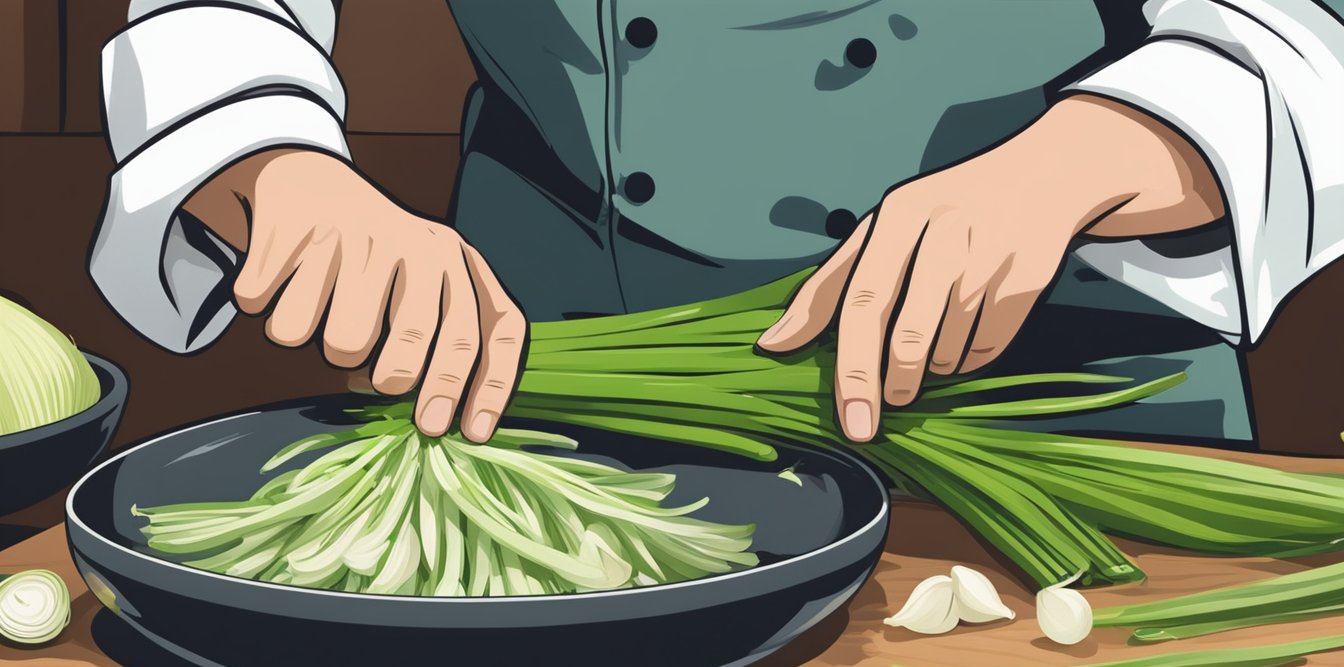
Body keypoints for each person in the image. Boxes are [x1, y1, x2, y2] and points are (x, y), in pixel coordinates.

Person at [91, 0, 1344, 446]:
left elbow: (1308, 34)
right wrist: (277, 162)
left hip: (1044, 409)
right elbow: (220, 10)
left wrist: (1075, 163)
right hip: (545, 409)